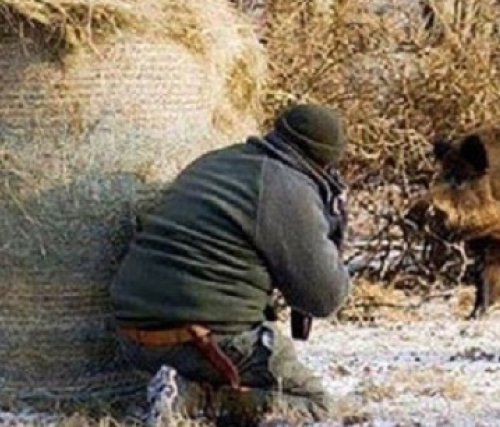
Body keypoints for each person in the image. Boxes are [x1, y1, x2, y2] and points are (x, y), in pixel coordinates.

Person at [110, 103, 351, 426]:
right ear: (324, 161)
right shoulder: (288, 186)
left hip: (132, 335)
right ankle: (194, 400)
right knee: (314, 405)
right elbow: (323, 298)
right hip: (206, 340)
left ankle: (177, 387)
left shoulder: (217, 160)